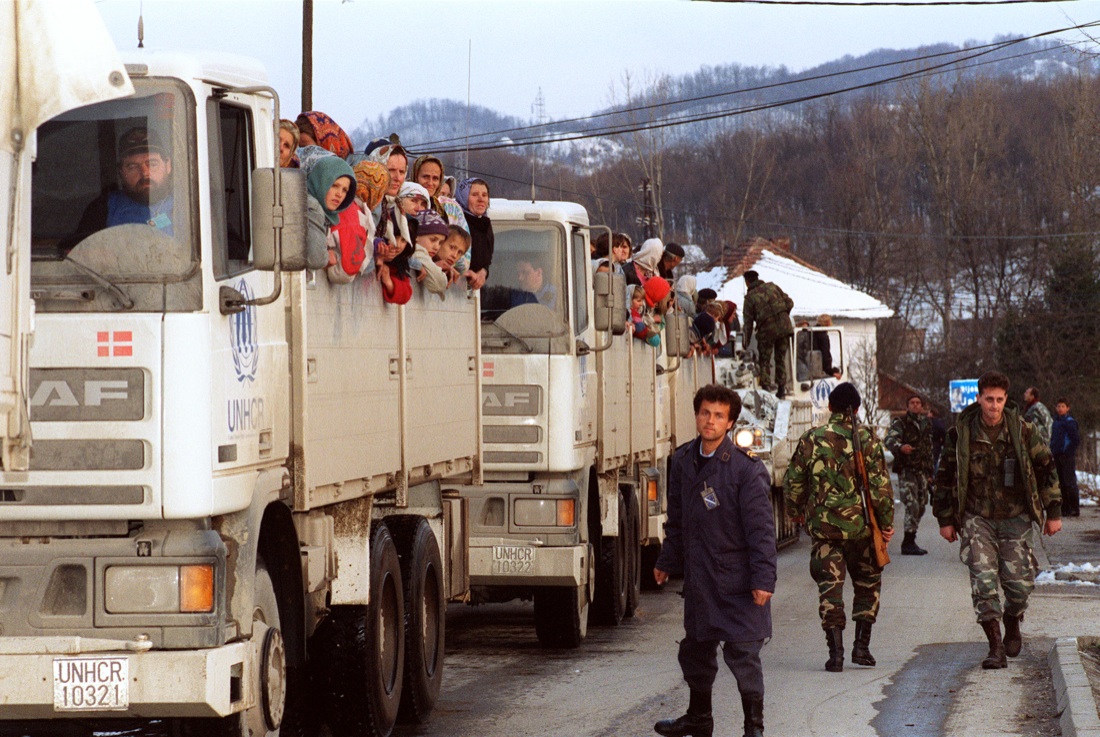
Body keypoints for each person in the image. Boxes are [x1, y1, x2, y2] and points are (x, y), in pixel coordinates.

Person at [654, 384, 776, 737]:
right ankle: (699, 718)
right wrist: (666, 561)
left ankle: (754, 728)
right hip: (701, 578)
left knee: (744, 655)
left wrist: (763, 580)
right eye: (705, 413)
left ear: (730, 422)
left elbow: (761, 531)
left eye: (719, 416)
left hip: (737, 579)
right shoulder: (682, 460)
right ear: (697, 415)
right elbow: (677, 519)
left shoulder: (745, 469)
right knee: (696, 650)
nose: (710, 421)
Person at [933, 371, 1061, 669]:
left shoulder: (1023, 431)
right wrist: (945, 519)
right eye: (988, 399)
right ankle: (995, 647)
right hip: (977, 517)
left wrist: (1053, 512)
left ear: (1006, 399)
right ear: (979, 398)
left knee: (1019, 586)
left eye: (999, 400)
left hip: (1015, 517)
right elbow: (944, 477)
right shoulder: (960, 434)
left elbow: (1046, 468)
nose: (994, 405)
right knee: (983, 581)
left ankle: (1012, 619)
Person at [784, 382, 894, 673]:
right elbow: (881, 489)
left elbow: (794, 482)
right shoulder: (869, 440)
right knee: (868, 584)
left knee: (830, 590)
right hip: (862, 529)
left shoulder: (811, 439)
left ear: (830, 407)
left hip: (825, 532)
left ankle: (835, 655)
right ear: (856, 410)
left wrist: (795, 512)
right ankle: (862, 647)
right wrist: (886, 525)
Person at [77, 127, 175, 237]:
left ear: (168, 165)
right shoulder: (102, 209)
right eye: (132, 167)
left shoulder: (187, 203)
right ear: (121, 172)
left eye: (152, 164)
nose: (145, 173)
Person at [885, 395, 934, 555]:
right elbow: (889, 440)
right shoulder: (901, 422)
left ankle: (912, 537)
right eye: (912, 403)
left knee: (921, 505)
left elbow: (929, 448)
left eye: (918, 403)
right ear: (907, 406)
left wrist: (930, 472)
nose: (915, 405)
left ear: (922, 406)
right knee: (912, 504)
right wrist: (900, 447)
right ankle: (908, 541)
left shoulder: (926, 423)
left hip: (922, 470)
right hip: (907, 470)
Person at [741, 270, 794, 397]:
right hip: (784, 327)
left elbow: (748, 324)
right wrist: (783, 315)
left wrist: (745, 344)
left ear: (747, 282)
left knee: (764, 360)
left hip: (767, 331)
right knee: (780, 359)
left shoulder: (749, 298)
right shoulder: (772, 286)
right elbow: (789, 302)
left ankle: (766, 390)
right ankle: (781, 390)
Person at [456, 178, 494, 289]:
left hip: (477, 293)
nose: (481, 199)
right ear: (463, 197)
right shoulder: (456, 222)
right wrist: (464, 273)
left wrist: (484, 272)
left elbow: (486, 261)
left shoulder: (486, 224)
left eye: (484, 195)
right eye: (474, 195)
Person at [1051, 398, 1081, 517]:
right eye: (1058, 406)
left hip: (1066, 456)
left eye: (1063, 406)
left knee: (1069, 482)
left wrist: (1068, 452)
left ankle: (1074, 508)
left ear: (1067, 408)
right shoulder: (1055, 422)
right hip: (1057, 455)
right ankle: (1065, 508)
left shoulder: (1070, 422)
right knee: (1060, 482)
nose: (1060, 409)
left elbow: (1075, 439)